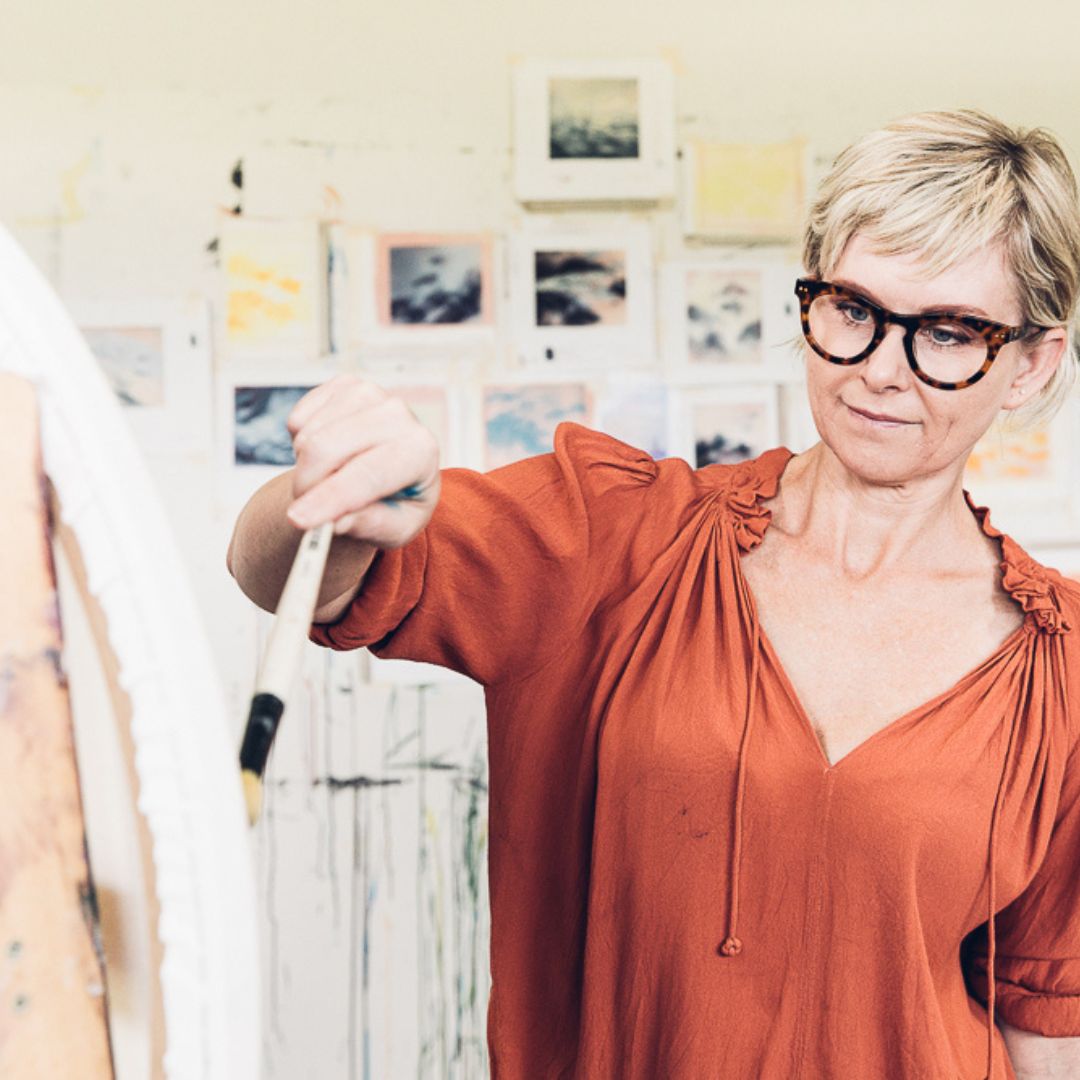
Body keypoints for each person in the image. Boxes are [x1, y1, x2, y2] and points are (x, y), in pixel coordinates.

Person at [226, 110, 1080, 1079]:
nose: (881, 370)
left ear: (1030, 365)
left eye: (951, 332)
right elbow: (286, 576)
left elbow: (1047, 1024)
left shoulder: (1062, 669)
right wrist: (331, 496)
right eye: (853, 309)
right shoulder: (613, 541)